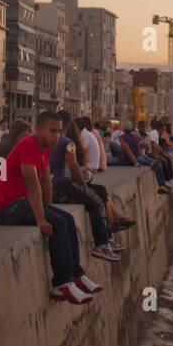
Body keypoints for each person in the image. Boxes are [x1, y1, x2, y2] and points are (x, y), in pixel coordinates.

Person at [0, 110, 102, 303]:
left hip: (22, 202)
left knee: (66, 218)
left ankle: (76, 274)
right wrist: (42, 219)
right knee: (57, 223)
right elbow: (33, 185)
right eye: (52, 131)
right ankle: (62, 283)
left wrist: (49, 208)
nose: (56, 135)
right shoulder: (28, 145)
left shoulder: (45, 148)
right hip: (6, 207)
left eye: (59, 131)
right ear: (38, 129)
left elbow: (46, 182)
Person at [50, 111, 127, 261]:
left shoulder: (51, 141)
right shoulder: (68, 143)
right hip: (63, 186)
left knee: (100, 191)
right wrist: (85, 187)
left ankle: (108, 240)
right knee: (96, 201)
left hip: (55, 187)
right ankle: (101, 245)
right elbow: (74, 167)